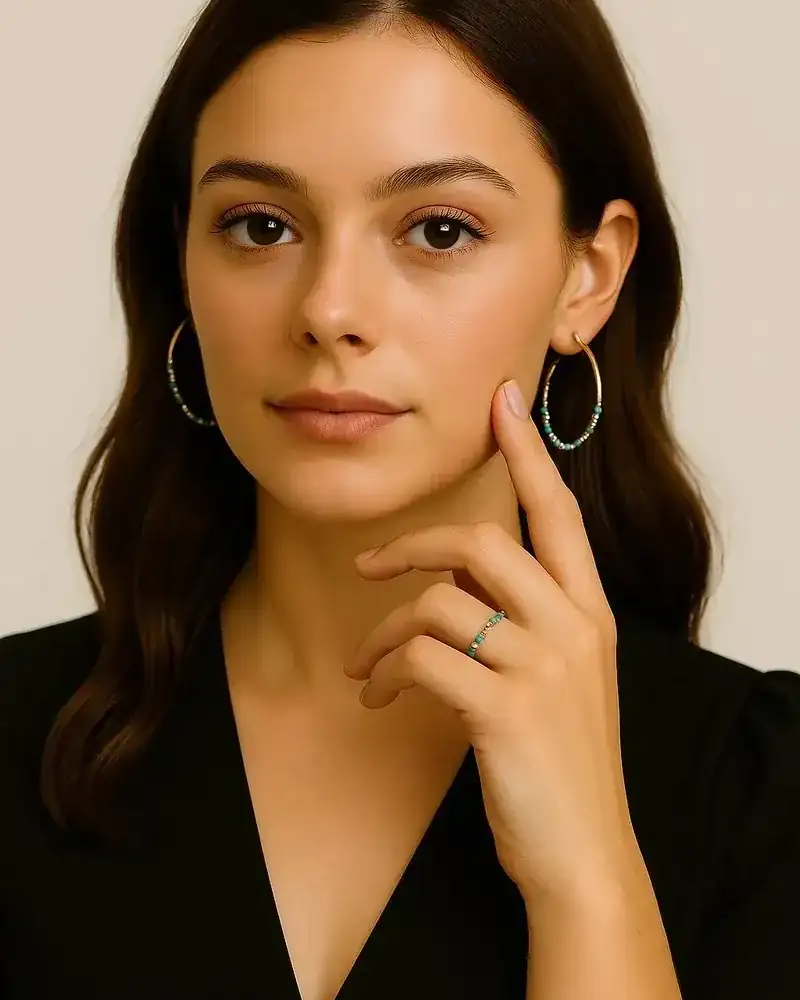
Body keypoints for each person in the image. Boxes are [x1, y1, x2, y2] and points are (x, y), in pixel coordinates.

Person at [1, 1, 799, 997]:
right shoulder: (12, 737)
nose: (329, 309)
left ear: (584, 277)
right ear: (183, 262)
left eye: (436, 229)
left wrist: (585, 879)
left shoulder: (760, 791)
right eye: (260, 226)